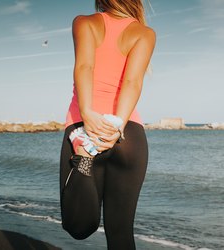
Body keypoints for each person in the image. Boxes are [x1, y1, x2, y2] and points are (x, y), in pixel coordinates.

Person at [59, 0, 156, 249]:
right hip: (127, 134)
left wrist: (87, 114)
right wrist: (117, 125)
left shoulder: (85, 22)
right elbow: (133, 83)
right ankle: (87, 155)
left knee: (78, 227)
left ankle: (84, 156)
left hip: (84, 128)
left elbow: (84, 67)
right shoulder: (144, 33)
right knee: (121, 232)